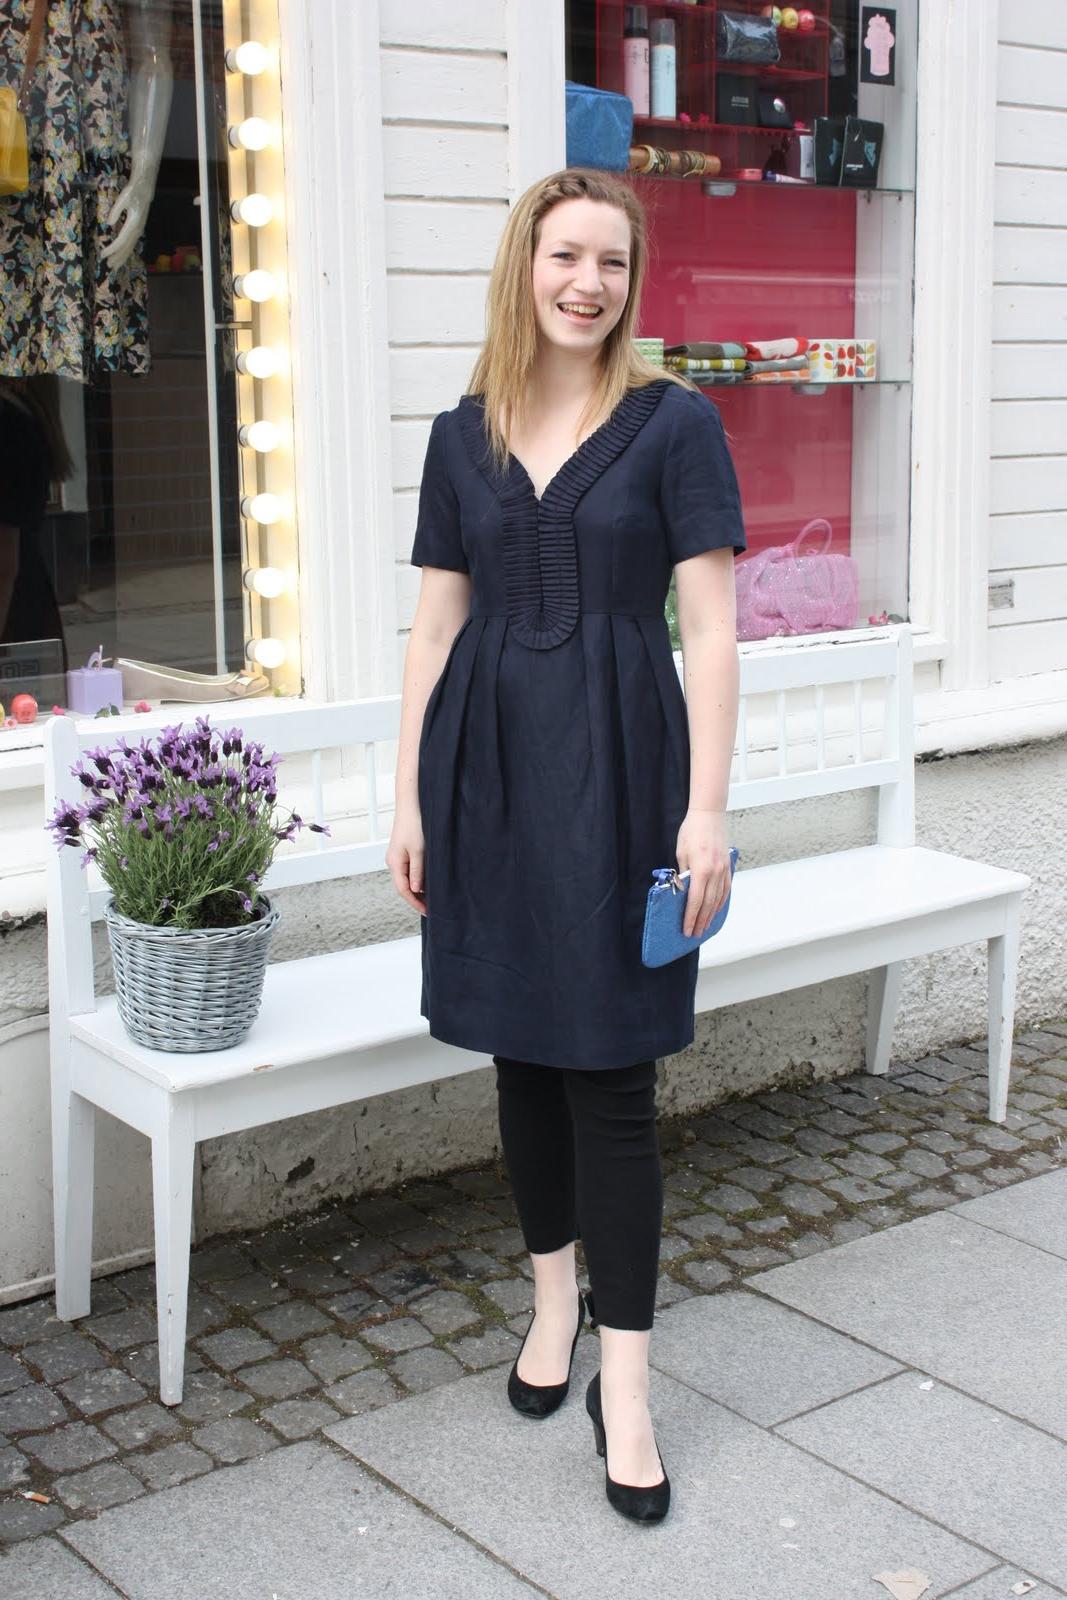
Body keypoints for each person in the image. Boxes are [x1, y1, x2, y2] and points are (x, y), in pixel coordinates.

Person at [386, 167, 746, 1525]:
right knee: (523, 1057)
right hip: (484, 782)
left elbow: (708, 628)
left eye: (611, 261)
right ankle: (550, 1312)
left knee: (611, 1080)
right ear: (523, 267)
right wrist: (412, 797)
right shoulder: (457, 435)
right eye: (565, 257)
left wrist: (705, 807)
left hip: (624, 780)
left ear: (631, 279)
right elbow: (432, 631)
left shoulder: (673, 425)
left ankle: (631, 1386)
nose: (588, 283)